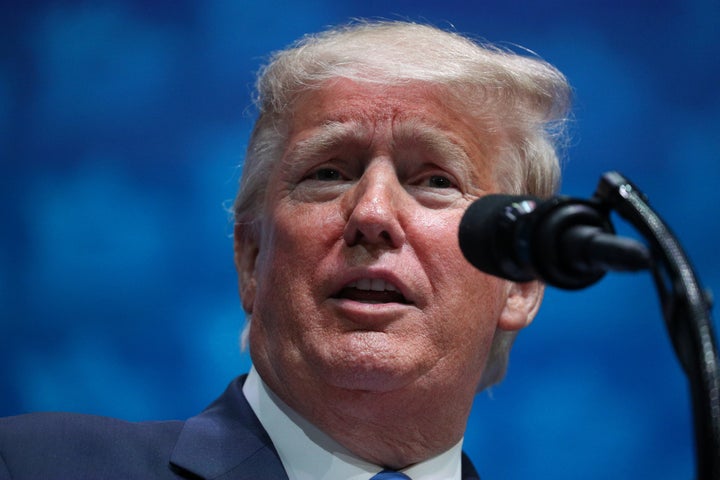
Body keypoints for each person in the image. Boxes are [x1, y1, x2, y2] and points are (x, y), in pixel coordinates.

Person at [0, 20, 571, 479]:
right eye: (328, 172)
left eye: (435, 180)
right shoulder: (34, 464)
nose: (372, 213)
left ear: (519, 279)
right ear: (251, 259)